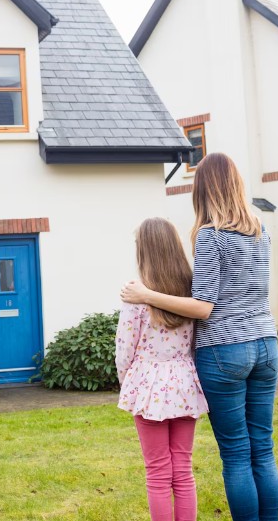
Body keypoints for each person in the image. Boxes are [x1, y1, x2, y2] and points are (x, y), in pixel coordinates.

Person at [121, 152, 278, 521]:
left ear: (204, 190)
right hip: (266, 345)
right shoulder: (261, 230)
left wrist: (146, 295)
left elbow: (204, 307)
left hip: (226, 350)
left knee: (238, 453)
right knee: (264, 448)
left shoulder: (211, 235)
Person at [116, 217, 209, 521]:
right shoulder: (189, 293)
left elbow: (124, 351)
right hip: (184, 383)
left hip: (148, 386)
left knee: (157, 471)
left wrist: (126, 383)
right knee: (182, 468)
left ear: (144, 250)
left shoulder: (136, 296)